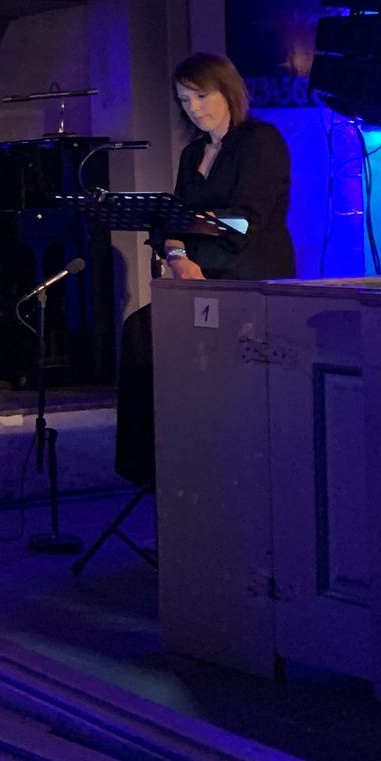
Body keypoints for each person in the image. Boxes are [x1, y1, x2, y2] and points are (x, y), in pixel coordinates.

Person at [115, 53, 294, 482]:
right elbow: (169, 224)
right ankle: (151, 468)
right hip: (199, 279)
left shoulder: (260, 141)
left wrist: (186, 231)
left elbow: (243, 221)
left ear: (226, 91)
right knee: (139, 331)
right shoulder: (193, 152)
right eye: (184, 100)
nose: (193, 108)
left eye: (200, 96)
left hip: (247, 276)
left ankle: (207, 461)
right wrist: (178, 258)